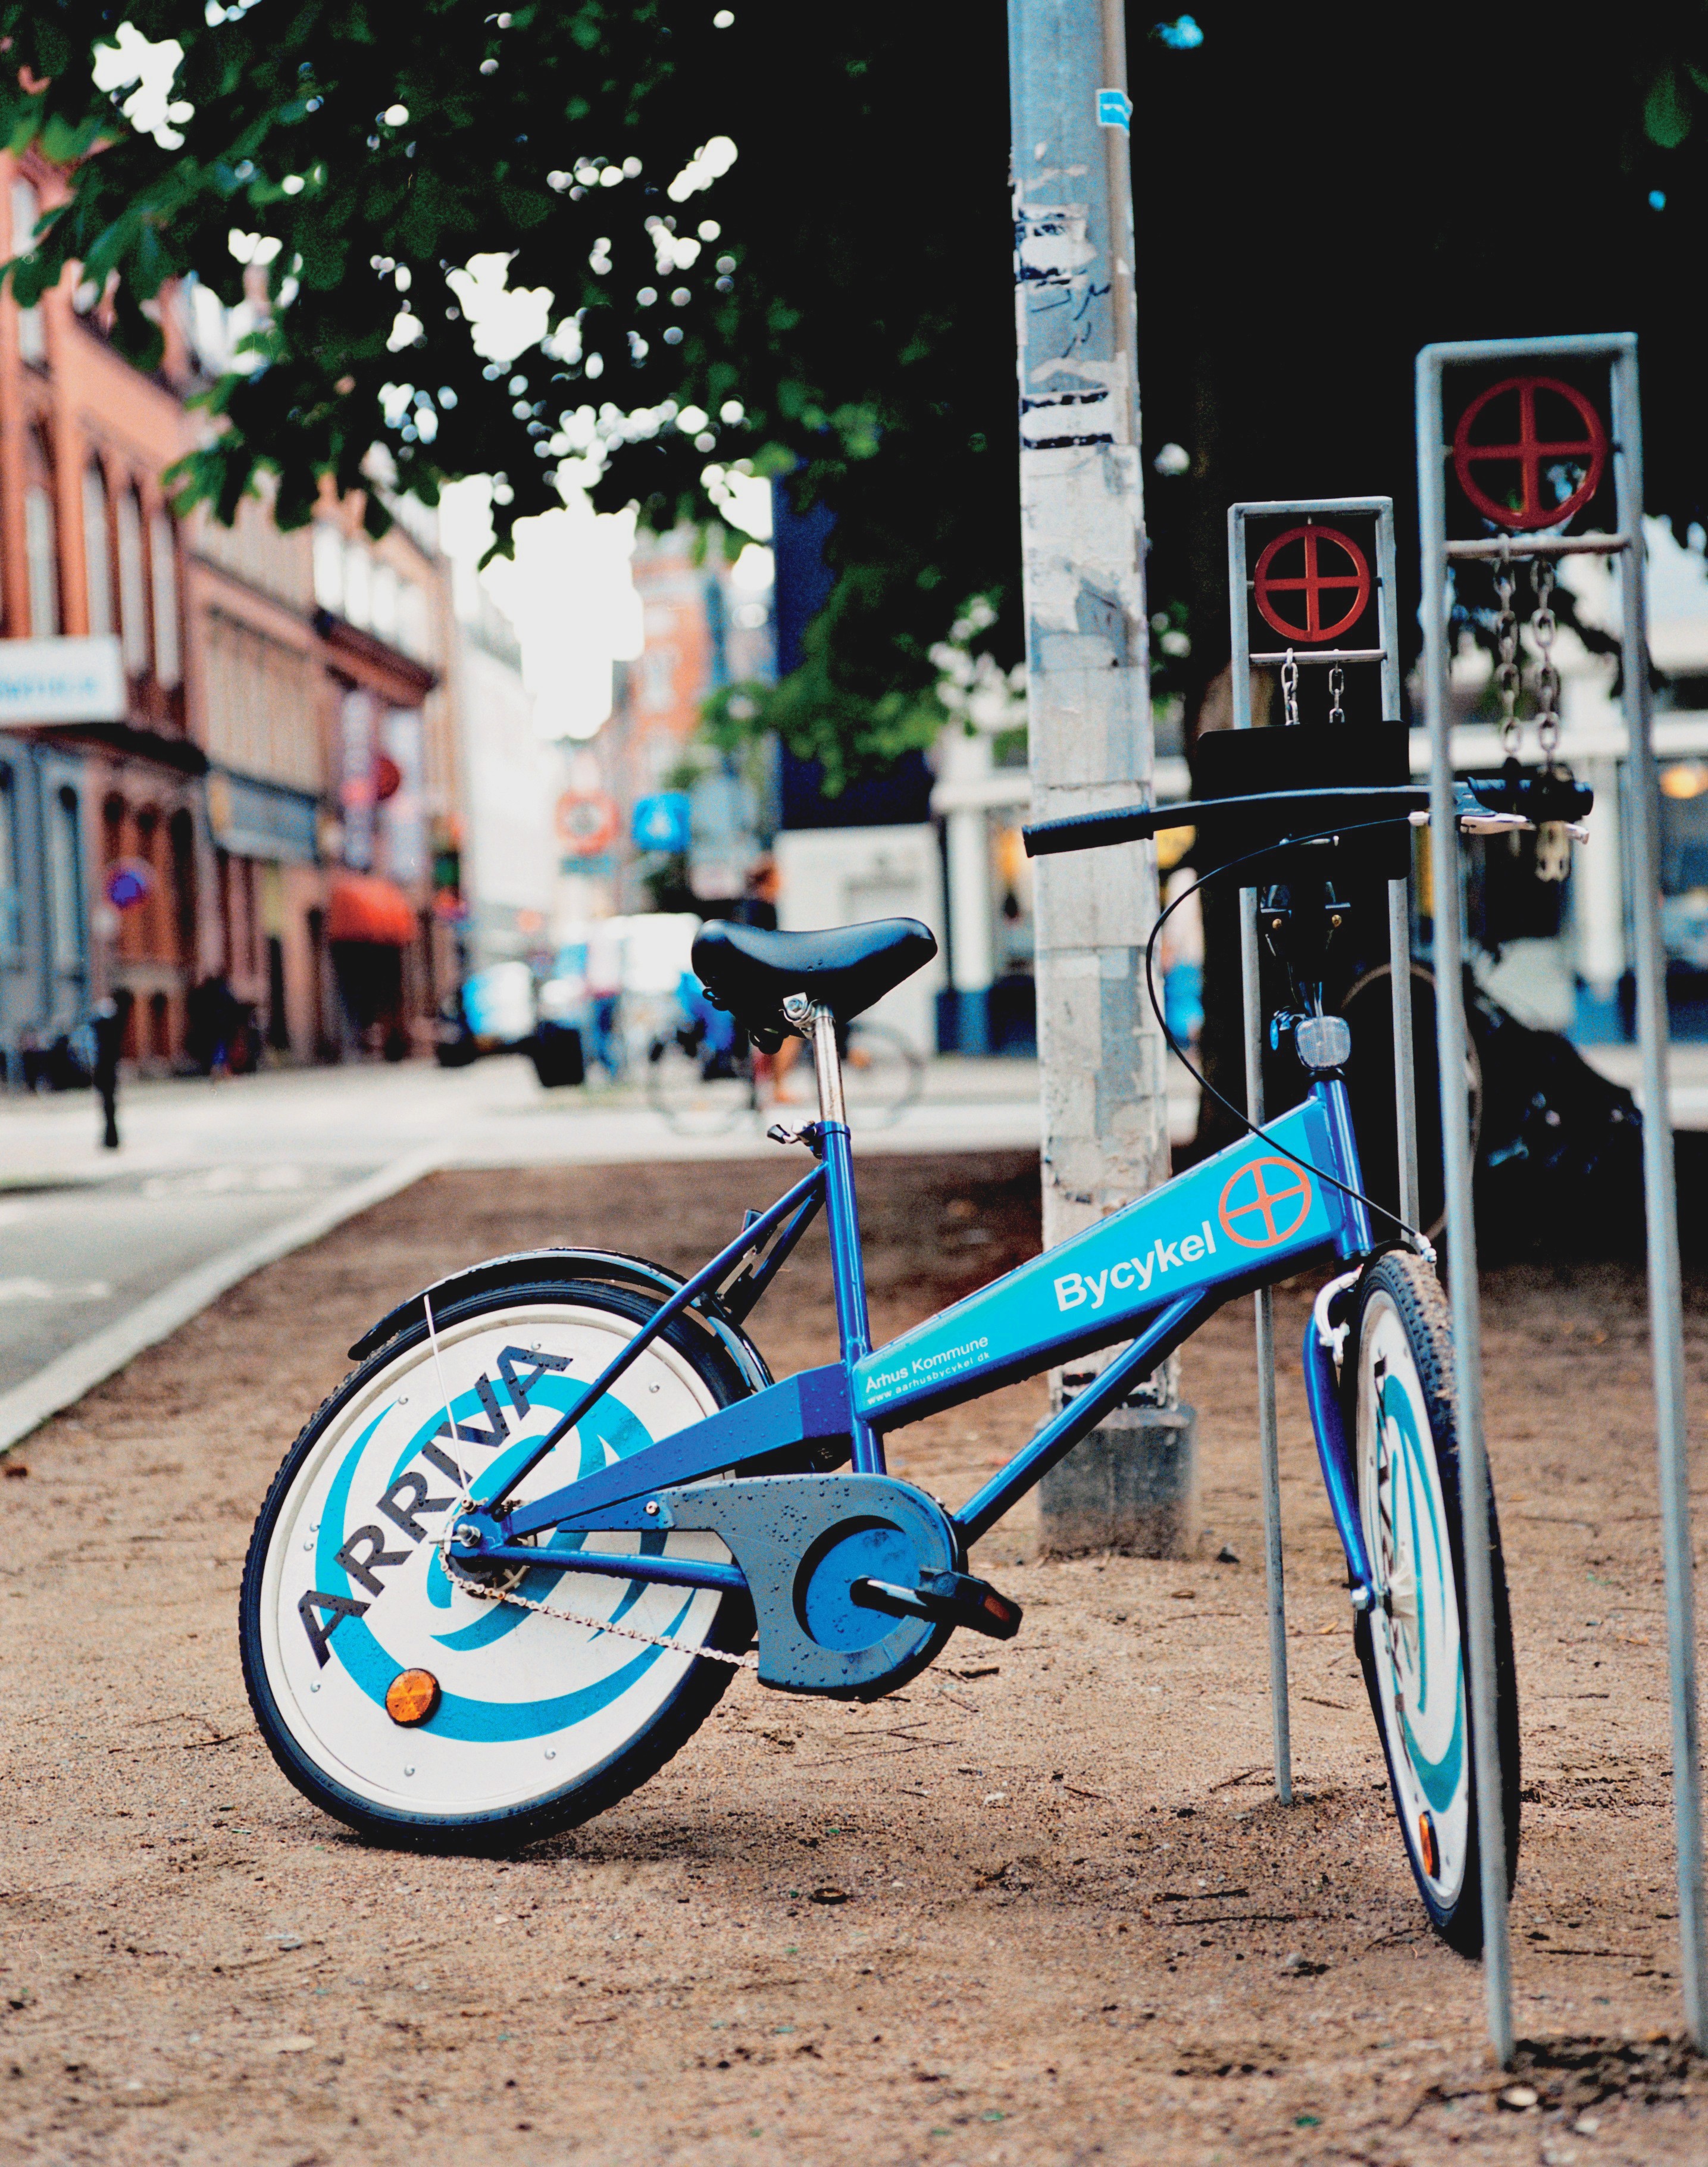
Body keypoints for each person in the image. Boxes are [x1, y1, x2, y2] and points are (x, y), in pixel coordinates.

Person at [90, 989, 133, 1151]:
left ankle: (111, 1139)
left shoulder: (108, 1024)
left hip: (105, 1069)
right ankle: (111, 1139)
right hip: (110, 1070)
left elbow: (96, 1026)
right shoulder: (117, 1022)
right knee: (110, 1107)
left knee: (108, 1107)